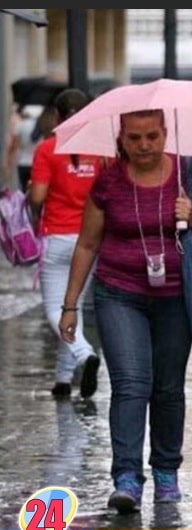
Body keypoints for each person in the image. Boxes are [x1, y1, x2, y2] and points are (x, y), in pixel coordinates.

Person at [58, 109, 192, 514]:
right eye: (134, 138)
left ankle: (167, 473)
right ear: (122, 138)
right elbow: (87, 244)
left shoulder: (190, 173)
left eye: (152, 136)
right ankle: (127, 479)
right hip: (119, 293)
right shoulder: (108, 182)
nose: (144, 146)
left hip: (176, 296)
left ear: (165, 133)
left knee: (168, 387)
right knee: (131, 384)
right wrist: (70, 305)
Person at [28, 89, 104, 399]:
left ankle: (84, 355)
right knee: (73, 306)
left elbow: (37, 198)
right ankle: (62, 379)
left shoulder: (47, 149)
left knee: (55, 307)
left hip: (57, 237)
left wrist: (33, 187)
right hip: (91, 240)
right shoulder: (103, 153)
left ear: (57, 117)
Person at [4, 104, 41, 192]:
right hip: (37, 163)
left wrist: (8, 163)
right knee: (35, 189)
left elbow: (14, 146)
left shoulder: (20, 125)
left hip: (22, 162)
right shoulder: (42, 127)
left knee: (23, 188)